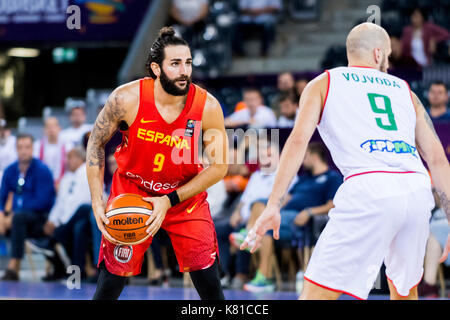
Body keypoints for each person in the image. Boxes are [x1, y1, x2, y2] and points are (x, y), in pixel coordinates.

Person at [241, 22, 450, 300]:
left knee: (316, 293)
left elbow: (297, 143)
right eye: (387, 55)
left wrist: (273, 204)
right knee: (404, 292)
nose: (388, 60)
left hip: (369, 188)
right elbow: (436, 157)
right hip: (416, 189)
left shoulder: (324, 83)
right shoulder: (406, 92)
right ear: (378, 53)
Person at [86, 27, 228, 300]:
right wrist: (96, 199)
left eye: (188, 62)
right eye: (175, 64)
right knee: (110, 284)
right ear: (156, 68)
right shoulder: (125, 99)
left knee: (209, 284)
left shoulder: (207, 106)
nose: (184, 70)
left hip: (183, 197)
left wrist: (169, 199)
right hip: (134, 192)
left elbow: (220, 167)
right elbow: (95, 143)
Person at [233, 142, 340, 293]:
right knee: (259, 204)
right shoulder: (304, 178)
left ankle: (265, 279)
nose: (302, 161)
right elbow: (287, 198)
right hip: (284, 215)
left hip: (301, 218)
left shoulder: (332, 177)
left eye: (305, 156)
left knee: (267, 228)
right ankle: (249, 231)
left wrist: (310, 212)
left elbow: (333, 205)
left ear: (315, 157)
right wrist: (274, 206)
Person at [217, 142, 286, 289]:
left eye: (269, 155)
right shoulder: (255, 175)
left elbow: (282, 201)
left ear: (279, 157)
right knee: (218, 230)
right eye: (262, 156)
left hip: (262, 220)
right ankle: (223, 274)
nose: (265, 159)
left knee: (252, 224)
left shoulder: (284, 175)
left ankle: (240, 275)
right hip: (243, 217)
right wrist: (236, 212)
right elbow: (243, 200)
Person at [0, 133, 55, 281]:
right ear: (16, 149)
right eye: (20, 147)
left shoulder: (42, 170)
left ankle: (13, 266)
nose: (24, 151)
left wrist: (13, 213)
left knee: (18, 217)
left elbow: (42, 202)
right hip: (17, 219)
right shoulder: (10, 170)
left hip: (40, 219)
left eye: (27, 147)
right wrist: (1, 215)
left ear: (33, 149)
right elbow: (2, 196)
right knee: (12, 219)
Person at [41, 146, 92, 280]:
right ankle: (61, 270)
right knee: (74, 229)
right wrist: (53, 220)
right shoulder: (66, 178)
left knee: (81, 217)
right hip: (69, 220)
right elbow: (60, 203)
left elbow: (83, 201)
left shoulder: (89, 172)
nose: (67, 161)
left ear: (80, 158)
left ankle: (57, 237)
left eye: (70, 158)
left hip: (88, 216)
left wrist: (61, 223)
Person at [419, 188, 450, 297]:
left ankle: (429, 284)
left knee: (434, 228)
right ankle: (429, 283)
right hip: (441, 216)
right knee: (435, 228)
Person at [33, 117, 68, 189]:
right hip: (42, 183)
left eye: (54, 126)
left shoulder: (68, 146)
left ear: (59, 128)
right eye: (48, 127)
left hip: (63, 183)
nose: (51, 129)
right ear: (44, 130)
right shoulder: (37, 146)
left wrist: (61, 182)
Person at [0, 119, 17, 188]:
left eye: (4, 129)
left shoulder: (14, 141)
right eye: (0, 129)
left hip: (13, 173)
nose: (2, 132)